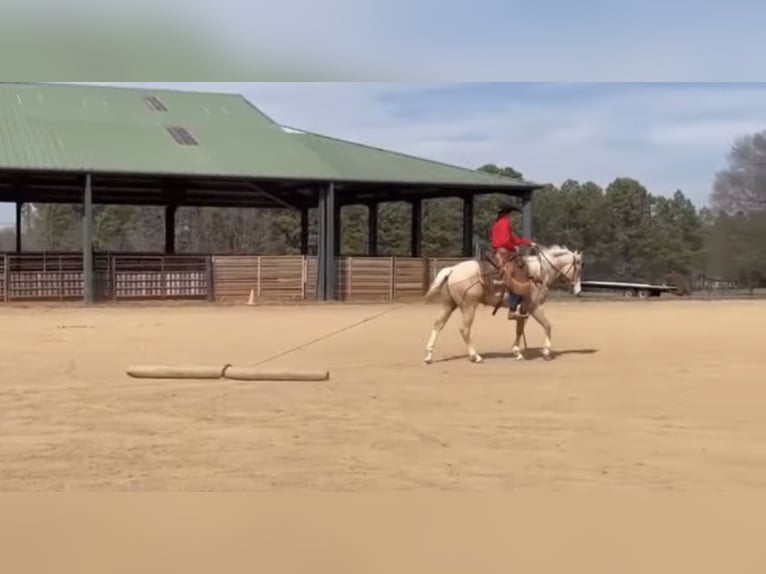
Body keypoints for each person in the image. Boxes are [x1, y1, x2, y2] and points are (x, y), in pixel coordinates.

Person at [490, 205, 536, 318]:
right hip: (504, 253)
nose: (511, 217)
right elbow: (506, 241)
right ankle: (513, 309)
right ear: (507, 214)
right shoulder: (505, 223)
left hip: (499, 252)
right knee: (519, 277)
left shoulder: (497, 224)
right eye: (511, 215)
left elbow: (513, 238)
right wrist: (514, 247)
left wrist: (528, 243)